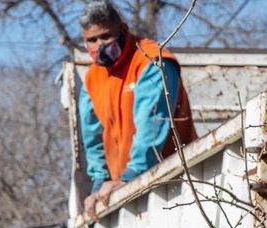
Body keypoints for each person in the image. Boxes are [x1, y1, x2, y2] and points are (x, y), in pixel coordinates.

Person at [78, 1, 198, 216]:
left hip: (175, 184)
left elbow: (151, 128)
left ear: (123, 29)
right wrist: (100, 184)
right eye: (91, 40)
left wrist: (128, 177)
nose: (99, 45)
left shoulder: (151, 60)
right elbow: (93, 138)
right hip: (124, 189)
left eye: (106, 36)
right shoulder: (91, 79)